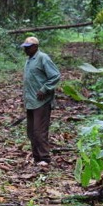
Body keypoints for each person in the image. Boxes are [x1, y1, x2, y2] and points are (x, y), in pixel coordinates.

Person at [20, 36, 61, 167]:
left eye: (28, 48)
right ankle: (37, 157)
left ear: (35, 47)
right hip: (31, 101)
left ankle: (44, 157)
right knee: (31, 131)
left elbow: (55, 75)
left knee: (39, 131)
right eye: (24, 48)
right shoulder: (29, 60)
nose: (25, 50)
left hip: (41, 102)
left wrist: (45, 89)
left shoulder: (43, 58)